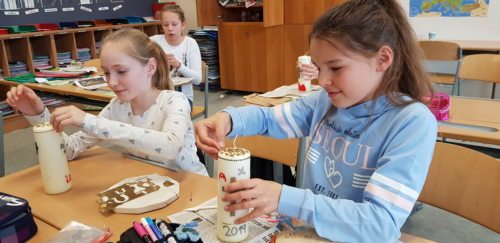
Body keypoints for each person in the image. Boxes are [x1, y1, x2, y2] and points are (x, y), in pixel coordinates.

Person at [195, 0, 437, 241]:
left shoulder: (411, 122)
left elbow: (379, 225)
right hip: (307, 233)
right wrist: (228, 118)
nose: (322, 82)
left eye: (336, 68)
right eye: (319, 69)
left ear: (382, 59)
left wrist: (283, 198)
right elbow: (269, 118)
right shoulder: (326, 101)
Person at [6, 28, 208, 176]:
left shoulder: (175, 100)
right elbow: (69, 150)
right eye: (106, 73)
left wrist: (90, 121)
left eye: (121, 71)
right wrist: (38, 115)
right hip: (151, 187)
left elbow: (169, 146)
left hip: (192, 189)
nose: (111, 82)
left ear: (150, 67)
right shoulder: (117, 108)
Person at [150, 4, 202, 109]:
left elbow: (198, 80)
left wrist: (178, 65)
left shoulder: (190, 44)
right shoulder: (154, 41)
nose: (170, 28)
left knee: (166, 111)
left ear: (183, 25)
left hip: (182, 99)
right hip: (157, 96)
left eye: (174, 24)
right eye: (165, 24)